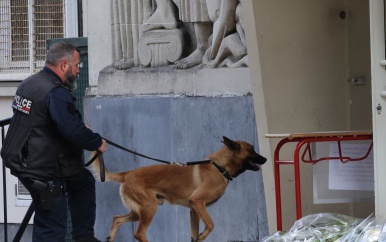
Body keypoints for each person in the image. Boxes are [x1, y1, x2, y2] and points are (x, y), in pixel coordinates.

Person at [1, 42, 107, 242]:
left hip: (27, 161)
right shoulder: (55, 92)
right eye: (76, 65)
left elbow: (45, 122)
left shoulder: (29, 83)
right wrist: (96, 142)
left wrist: (78, 130)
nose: (78, 70)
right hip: (42, 169)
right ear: (64, 65)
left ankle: (84, 237)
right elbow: (71, 129)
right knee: (52, 225)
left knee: (83, 182)